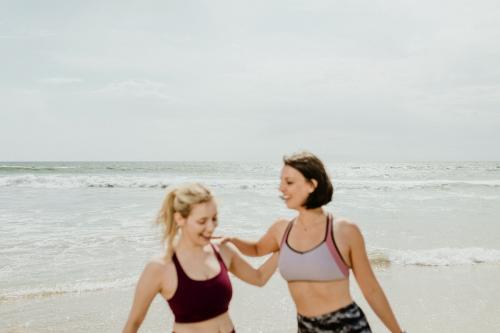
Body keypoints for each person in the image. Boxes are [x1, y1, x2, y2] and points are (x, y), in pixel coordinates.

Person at [223, 151, 404, 333]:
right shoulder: (281, 230)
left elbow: (371, 290)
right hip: (306, 327)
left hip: (347, 326)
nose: (281, 188)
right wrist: (230, 240)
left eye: (289, 182)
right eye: (281, 181)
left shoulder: (344, 231)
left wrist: (398, 331)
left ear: (312, 185)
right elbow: (256, 249)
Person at [123, 183, 279, 333]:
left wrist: (285, 247)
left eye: (214, 218)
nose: (211, 227)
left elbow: (259, 278)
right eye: (202, 221)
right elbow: (134, 323)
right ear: (179, 219)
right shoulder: (160, 266)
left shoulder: (223, 250)